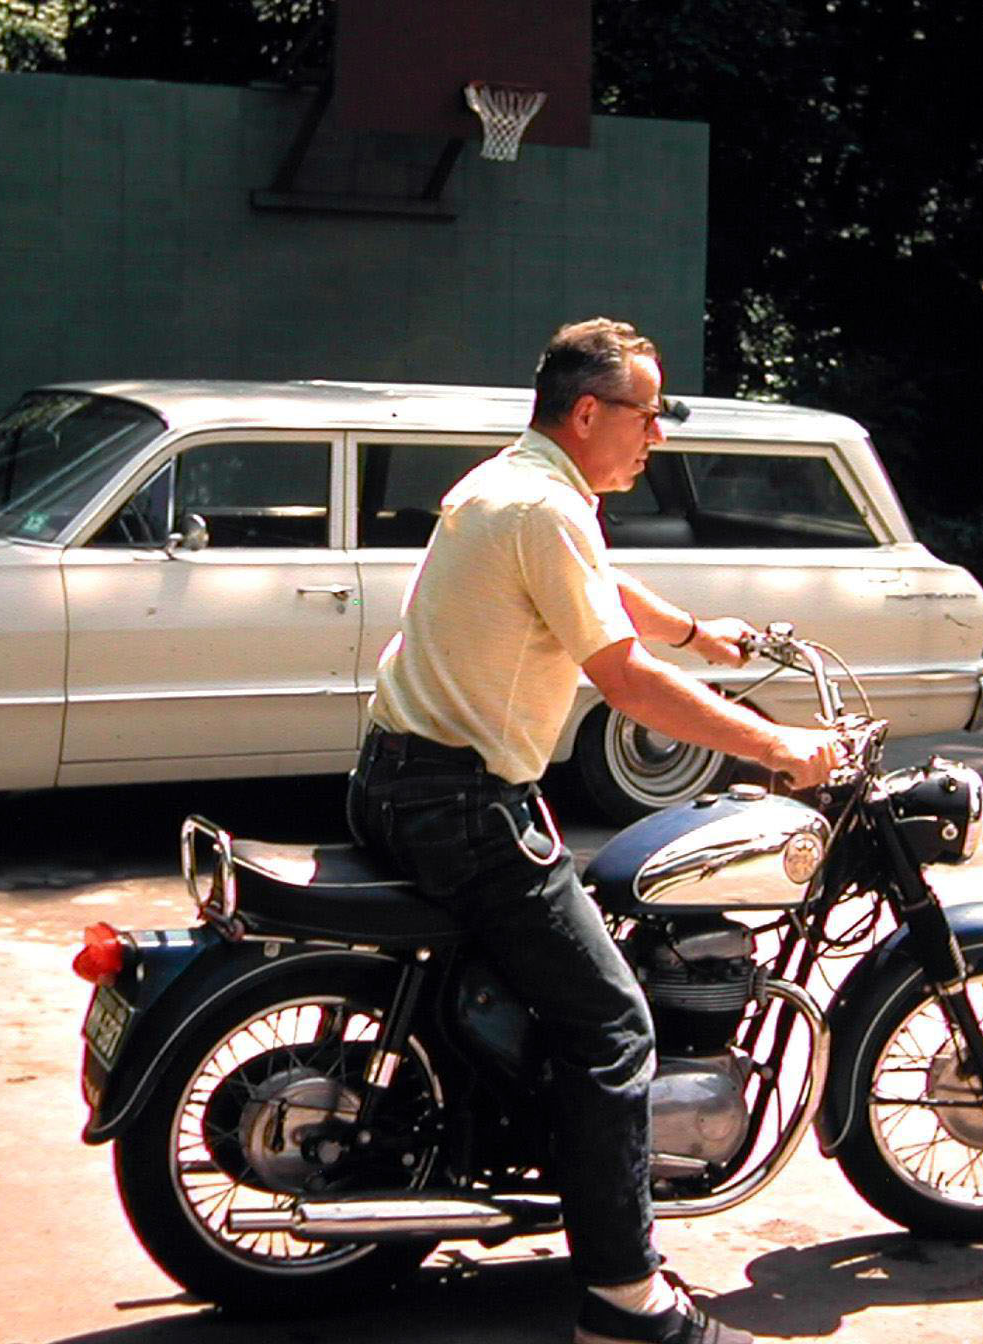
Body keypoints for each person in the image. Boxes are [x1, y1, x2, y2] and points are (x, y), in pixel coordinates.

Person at [348, 318, 841, 1344]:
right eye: (647, 413)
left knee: (566, 965)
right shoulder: (547, 508)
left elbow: (596, 592)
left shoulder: (513, 485)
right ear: (587, 412)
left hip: (397, 781)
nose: (657, 434)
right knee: (614, 1026)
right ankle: (626, 1299)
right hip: (461, 808)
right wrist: (774, 745)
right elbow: (622, 682)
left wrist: (697, 634)